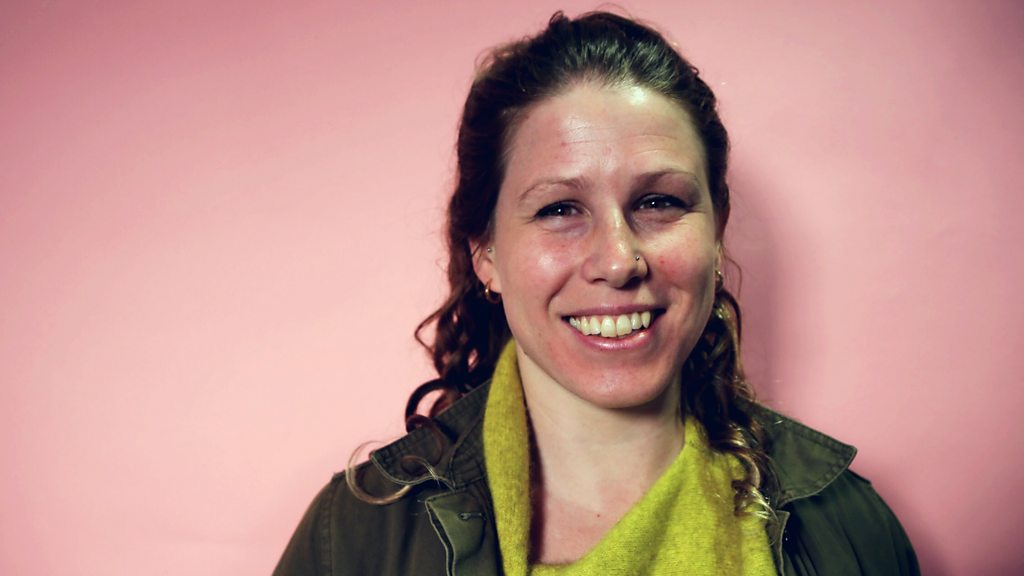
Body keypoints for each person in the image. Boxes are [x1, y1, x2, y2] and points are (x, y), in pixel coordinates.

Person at [274, 11, 919, 575]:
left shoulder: (850, 527)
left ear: (717, 232)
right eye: (559, 209)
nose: (618, 260)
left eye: (659, 202)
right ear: (486, 254)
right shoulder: (352, 539)